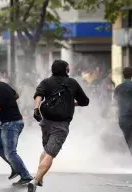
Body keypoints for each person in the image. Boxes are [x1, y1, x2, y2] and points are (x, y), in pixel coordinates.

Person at [28, 60, 90, 192]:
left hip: (45, 121)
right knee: (50, 153)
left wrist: (36, 109)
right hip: (61, 125)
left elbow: (38, 95)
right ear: (65, 70)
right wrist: (72, 104)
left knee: (46, 149)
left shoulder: (46, 82)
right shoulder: (72, 83)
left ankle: (40, 178)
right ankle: (35, 181)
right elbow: (84, 101)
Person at [0, 66, 33, 186]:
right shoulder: (5, 85)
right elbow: (16, 95)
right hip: (9, 123)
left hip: (11, 123)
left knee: (10, 153)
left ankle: (25, 175)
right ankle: (15, 167)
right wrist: (7, 101)